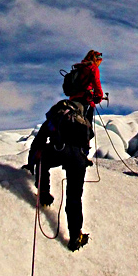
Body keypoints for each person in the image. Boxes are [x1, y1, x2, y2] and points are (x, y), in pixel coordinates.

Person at [22, 100, 94, 251]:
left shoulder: (56, 118)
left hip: (58, 150)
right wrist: (83, 159)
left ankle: (43, 192)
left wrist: (31, 164)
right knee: (74, 197)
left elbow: (38, 143)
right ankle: (75, 236)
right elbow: (87, 141)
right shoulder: (82, 121)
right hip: (78, 158)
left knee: (43, 159)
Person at [69, 50, 105, 124]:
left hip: (73, 98)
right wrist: (99, 96)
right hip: (85, 98)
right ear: (96, 59)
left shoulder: (79, 68)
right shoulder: (93, 68)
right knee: (86, 125)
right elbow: (96, 82)